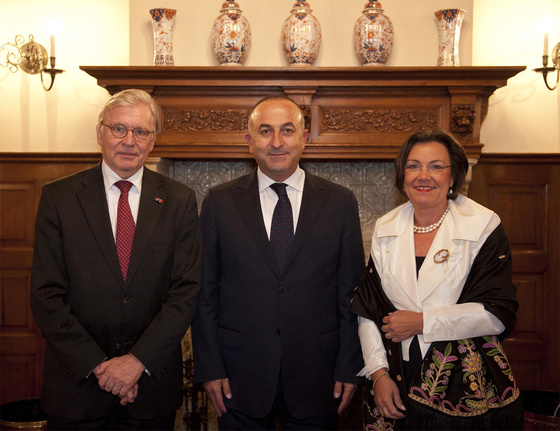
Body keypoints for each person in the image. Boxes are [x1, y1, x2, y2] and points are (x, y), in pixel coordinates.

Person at [30, 89, 202, 430]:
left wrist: (137, 362)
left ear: (153, 141)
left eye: (141, 131)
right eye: (118, 129)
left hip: (150, 392)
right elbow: (46, 295)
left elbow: (186, 292)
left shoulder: (180, 201)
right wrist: (99, 366)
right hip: (76, 388)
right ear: (100, 133)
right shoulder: (58, 198)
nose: (129, 140)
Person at [191, 95, 364, 430]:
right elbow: (204, 293)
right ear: (249, 141)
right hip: (237, 377)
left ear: (305, 138)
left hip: (320, 376)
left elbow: (351, 294)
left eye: (287, 130)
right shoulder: (219, 202)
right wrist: (210, 368)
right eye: (265, 131)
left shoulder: (340, 202)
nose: (276, 142)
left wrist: (349, 367)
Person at [350, 130, 523, 430]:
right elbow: (368, 309)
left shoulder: (483, 225)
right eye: (413, 165)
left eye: (436, 166)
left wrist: (422, 322)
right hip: (396, 377)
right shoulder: (385, 226)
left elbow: (497, 313)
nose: (423, 176)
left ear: (453, 176)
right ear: (402, 175)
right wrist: (378, 374)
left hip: (461, 387)